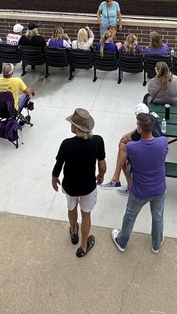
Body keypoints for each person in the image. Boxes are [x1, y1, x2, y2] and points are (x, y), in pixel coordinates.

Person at [112, 112, 169, 254]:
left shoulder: (132, 147)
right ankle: (156, 244)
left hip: (139, 191)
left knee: (130, 216)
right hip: (159, 189)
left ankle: (122, 242)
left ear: (139, 129)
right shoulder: (163, 142)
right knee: (158, 217)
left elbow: (123, 145)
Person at [52, 108, 106, 258]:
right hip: (88, 187)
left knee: (71, 207)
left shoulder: (67, 144)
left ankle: (74, 230)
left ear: (76, 128)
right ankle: (83, 246)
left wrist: (54, 178)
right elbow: (102, 166)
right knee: (86, 214)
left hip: (70, 186)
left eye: (72, 123)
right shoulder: (98, 141)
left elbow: (58, 165)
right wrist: (101, 176)